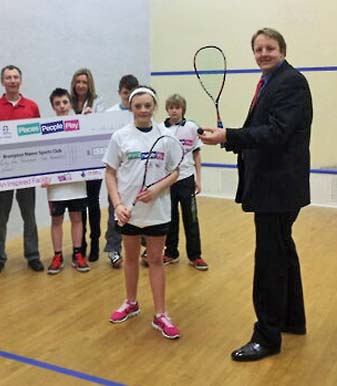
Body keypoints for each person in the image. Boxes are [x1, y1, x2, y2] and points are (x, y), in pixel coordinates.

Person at [199, 28, 312, 361]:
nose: (264, 53)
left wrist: (228, 135)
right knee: (283, 252)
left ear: (282, 50)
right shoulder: (271, 82)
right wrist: (229, 138)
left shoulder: (289, 82)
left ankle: (267, 337)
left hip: (277, 188)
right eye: (259, 49)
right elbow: (266, 129)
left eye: (270, 48)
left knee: (269, 262)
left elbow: (276, 132)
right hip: (277, 187)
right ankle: (292, 319)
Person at [103, 86, 181, 340]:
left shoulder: (166, 135)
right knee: (130, 258)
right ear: (131, 108)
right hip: (128, 212)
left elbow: (175, 171)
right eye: (138, 106)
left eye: (148, 105)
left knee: (156, 260)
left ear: (154, 107)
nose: (143, 110)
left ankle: (161, 314)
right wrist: (117, 205)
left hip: (157, 210)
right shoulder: (120, 136)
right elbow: (110, 172)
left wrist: (156, 189)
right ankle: (131, 302)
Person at [0, 65, 44, 274]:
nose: (12, 81)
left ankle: (33, 255)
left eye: (15, 77)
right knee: (1, 217)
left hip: (27, 172)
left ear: (21, 80)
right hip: (3, 173)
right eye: (8, 78)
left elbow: (38, 139)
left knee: (29, 215)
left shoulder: (32, 107)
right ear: (2, 82)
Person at [43, 88, 90, 274]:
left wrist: (91, 119)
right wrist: (41, 176)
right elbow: (42, 155)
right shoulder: (45, 128)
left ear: (70, 103)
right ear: (52, 106)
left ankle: (77, 254)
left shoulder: (81, 123)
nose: (62, 106)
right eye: (57, 103)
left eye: (64, 102)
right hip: (55, 187)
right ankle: (57, 255)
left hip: (77, 184)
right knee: (56, 220)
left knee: (77, 218)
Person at [163, 94, 208, 270]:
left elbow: (197, 154)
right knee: (170, 219)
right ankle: (171, 253)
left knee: (191, 219)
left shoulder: (191, 127)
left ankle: (195, 256)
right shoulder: (160, 129)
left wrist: (198, 178)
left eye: (177, 107)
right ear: (167, 109)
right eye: (171, 107)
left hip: (187, 179)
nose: (174, 110)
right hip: (168, 181)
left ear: (183, 109)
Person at [70, 68, 105, 261]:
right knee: (79, 204)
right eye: (78, 82)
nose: (81, 85)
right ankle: (80, 244)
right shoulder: (69, 102)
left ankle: (95, 242)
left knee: (93, 203)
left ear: (89, 84)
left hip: (93, 161)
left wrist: (94, 118)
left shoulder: (97, 102)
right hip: (75, 162)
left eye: (84, 82)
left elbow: (101, 129)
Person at [104, 74, 139, 268]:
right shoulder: (109, 114)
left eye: (131, 93)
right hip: (116, 176)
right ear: (119, 93)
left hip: (137, 175)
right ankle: (113, 249)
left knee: (139, 211)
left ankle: (143, 247)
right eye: (125, 93)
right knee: (114, 213)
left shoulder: (140, 112)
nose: (128, 97)